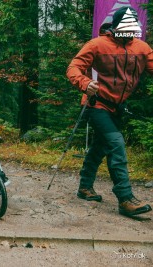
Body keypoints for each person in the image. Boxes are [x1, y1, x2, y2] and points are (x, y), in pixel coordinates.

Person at [66, 6, 152, 217]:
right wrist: (85, 83)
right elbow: (73, 67)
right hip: (96, 104)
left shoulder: (141, 48)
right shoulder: (97, 44)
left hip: (117, 107)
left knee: (100, 147)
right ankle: (125, 199)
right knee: (116, 145)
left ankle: (84, 187)